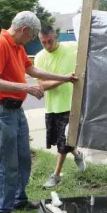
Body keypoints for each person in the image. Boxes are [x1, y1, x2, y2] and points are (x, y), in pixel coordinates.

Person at [0, 11, 78, 213]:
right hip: (2, 111)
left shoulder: (17, 47)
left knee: (24, 158)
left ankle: (19, 199)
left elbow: (33, 70)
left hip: (16, 112)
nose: (31, 41)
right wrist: (26, 88)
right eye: (31, 37)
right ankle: (2, 209)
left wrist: (64, 77)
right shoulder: (0, 44)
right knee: (7, 162)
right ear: (24, 30)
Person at [34, 26, 86, 189]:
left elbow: (89, 45)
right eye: (44, 42)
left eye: (50, 41)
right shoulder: (39, 58)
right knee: (59, 141)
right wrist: (65, 79)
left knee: (63, 142)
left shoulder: (72, 47)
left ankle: (56, 175)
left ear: (56, 37)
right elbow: (42, 85)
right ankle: (78, 155)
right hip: (52, 107)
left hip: (71, 104)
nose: (48, 45)